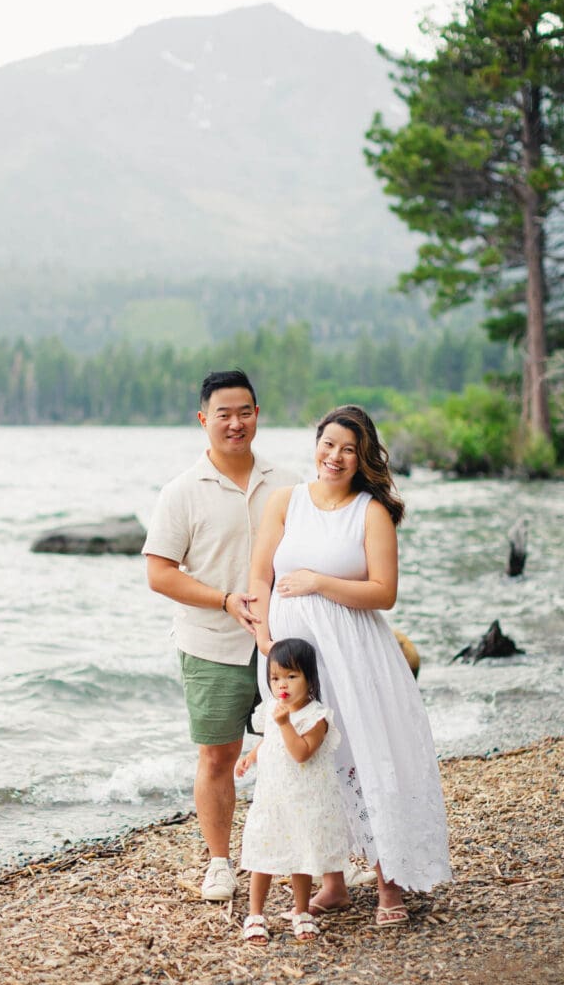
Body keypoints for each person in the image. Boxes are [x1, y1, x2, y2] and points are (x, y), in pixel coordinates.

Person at [249, 404, 452, 926]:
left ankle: (389, 884)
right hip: (292, 657)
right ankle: (332, 884)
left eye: (348, 449)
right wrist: (267, 642)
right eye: (328, 444)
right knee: (310, 764)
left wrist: (319, 582)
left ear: (363, 459)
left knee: (367, 753)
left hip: (355, 655)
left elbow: (384, 593)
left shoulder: (371, 511)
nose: (335, 456)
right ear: (315, 444)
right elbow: (259, 578)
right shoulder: (284, 501)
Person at [143, 369, 295, 902]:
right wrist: (226, 600)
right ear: (203, 419)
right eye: (224, 414)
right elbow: (159, 573)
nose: (236, 423)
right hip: (212, 642)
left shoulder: (288, 481)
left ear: (258, 414)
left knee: (312, 746)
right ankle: (220, 862)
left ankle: (329, 857)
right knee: (216, 757)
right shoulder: (182, 491)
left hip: (286, 644)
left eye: (245, 412)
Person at [235, 638, 350, 946]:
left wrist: (286, 723)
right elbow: (269, 740)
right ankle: (255, 913)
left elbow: (301, 753)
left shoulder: (316, 717)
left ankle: (301, 911)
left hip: (305, 800)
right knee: (263, 853)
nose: (281, 685)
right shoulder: (274, 709)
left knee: (302, 855)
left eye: (291, 676)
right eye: (275, 678)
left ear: (309, 679)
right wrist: (250, 756)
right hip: (272, 798)